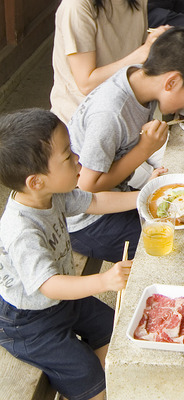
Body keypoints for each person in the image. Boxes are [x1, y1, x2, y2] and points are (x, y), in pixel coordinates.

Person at [0, 108, 136, 400]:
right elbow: (48, 284)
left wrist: (145, 196)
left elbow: (95, 200)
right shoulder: (22, 230)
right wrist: (103, 282)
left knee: (116, 331)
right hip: (28, 321)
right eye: (67, 156)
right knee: (89, 378)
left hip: (62, 300)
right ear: (36, 181)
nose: (77, 158)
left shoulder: (52, 192)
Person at [67, 28, 184, 263]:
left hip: (117, 194)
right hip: (87, 221)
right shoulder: (110, 114)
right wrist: (144, 150)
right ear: (172, 82)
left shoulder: (136, 77)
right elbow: (87, 188)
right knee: (182, 246)